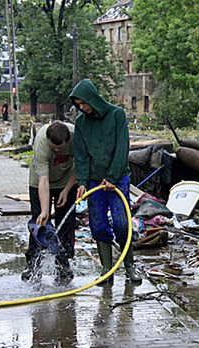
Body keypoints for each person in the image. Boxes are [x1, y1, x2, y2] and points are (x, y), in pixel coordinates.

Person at [69, 79, 141, 283]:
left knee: (121, 222)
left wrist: (112, 177)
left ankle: (129, 268)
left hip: (118, 179)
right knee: (97, 223)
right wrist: (82, 181)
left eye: (83, 103)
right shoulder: (81, 123)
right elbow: (81, 155)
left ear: (92, 98)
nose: (81, 108)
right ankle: (107, 269)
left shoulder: (116, 115)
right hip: (94, 181)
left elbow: (122, 147)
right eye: (78, 105)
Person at [23, 121, 77, 284]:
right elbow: (43, 180)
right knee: (39, 223)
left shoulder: (76, 137)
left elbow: (80, 166)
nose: (55, 150)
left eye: (59, 148)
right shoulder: (41, 142)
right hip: (40, 182)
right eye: (52, 147)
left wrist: (66, 190)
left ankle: (63, 266)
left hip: (67, 180)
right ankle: (32, 266)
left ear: (67, 141)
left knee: (65, 224)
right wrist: (45, 211)